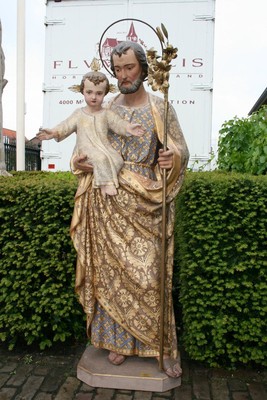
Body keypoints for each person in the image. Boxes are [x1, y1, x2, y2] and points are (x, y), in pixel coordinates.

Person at [71, 41, 189, 378]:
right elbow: (85, 146)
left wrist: (172, 158)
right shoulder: (105, 106)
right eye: (118, 69)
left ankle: (161, 348)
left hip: (145, 201)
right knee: (111, 277)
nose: (123, 75)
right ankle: (119, 342)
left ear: (142, 68)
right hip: (107, 205)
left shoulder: (160, 108)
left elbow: (180, 149)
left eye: (129, 68)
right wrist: (79, 162)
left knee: (151, 276)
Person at [36, 71, 144, 197]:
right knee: (100, 159)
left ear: (105, 93)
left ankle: (104, 179)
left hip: (103, 147)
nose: (94, 97)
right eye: (89, 92)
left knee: (118, 160)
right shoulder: (79, 114)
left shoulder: (106, 113)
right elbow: (65, 125)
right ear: (82, 91)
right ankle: (105, 184)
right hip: (85, 150)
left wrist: (128, 128)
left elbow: (118, 123)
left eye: (99, 93)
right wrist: (54, 132)